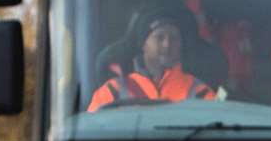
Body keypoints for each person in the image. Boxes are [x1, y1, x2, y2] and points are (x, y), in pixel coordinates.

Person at [86, 7, 220, 112]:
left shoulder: (200, 93)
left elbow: (217, 136)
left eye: (173, 38)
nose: (167, 44)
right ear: (143, 44)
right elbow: (91, 135)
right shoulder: (113, 91)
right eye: (159, 37)